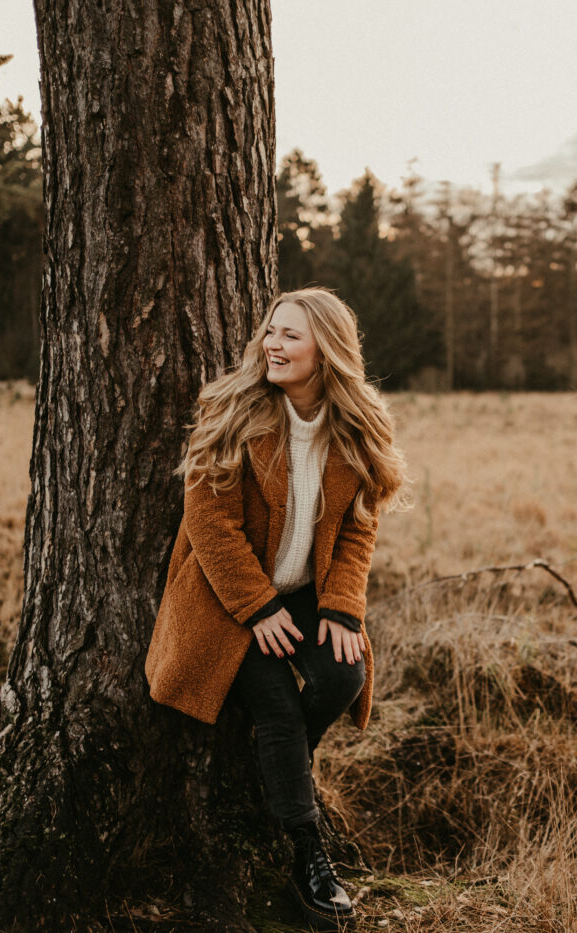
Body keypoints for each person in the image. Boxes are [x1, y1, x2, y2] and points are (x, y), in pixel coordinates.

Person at [145, 286, 407, 930]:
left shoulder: (354, 430)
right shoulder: (234, 412)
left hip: (304, 594)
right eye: (270, 332)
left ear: (328, 350)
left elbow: (358, 526)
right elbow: (207, 524)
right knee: (278, 704)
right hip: (225, 600)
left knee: (345, 675)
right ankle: (306, 852)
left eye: (291, 335)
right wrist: (259, 609)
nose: (273, 344)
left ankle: (280, 764)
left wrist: (344, 608)